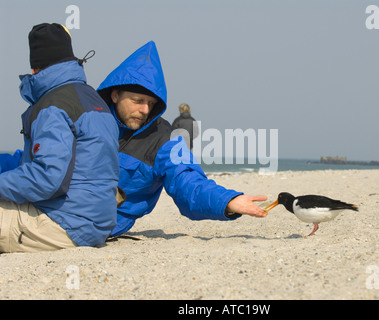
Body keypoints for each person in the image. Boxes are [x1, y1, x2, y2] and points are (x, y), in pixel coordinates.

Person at [97, 41, 267, 238]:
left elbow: (186, 180)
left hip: (101, 223)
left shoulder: (163, 138)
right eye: (137, 101)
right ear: (115, 95)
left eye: (151, 103)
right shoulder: (88, 117)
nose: (145, 110)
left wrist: (227, 201)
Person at [0, 23, 119, 253]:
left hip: (63, 224)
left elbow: (47, 179)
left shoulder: (53, 106)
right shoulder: (93, 99)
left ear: (34, 69)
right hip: (98, 224)